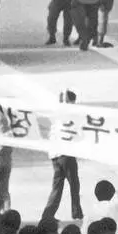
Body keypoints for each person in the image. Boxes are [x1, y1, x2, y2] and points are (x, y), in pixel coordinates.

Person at [43, 90, 83, 223]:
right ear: (71, 102)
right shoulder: (70, 115)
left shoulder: (57, 115)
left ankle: (48, 214)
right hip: (66, 154)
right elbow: (78, 134)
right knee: (74, 184)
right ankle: (76, 213)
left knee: (57, 186)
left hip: (54, 155)